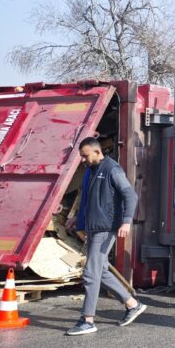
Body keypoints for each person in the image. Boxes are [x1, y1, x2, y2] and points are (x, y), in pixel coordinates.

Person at [64, 137, 146, 336]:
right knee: (100, 270)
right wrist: (77, 218)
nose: (83, 160)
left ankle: (87, 320)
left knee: (91, 273)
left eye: (85, 156)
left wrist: (126, 221)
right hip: (94, 227)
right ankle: (132, 304)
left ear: (97, 152)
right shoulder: (91, 171)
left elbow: (130, 195)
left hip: (105, 228)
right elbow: (89, 200)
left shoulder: (112, 169)